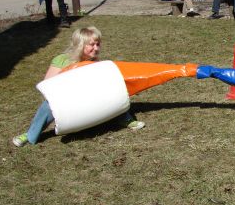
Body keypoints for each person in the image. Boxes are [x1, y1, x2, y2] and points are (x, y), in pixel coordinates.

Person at [12, 27, 145, 147]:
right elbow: (48, 85)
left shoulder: (94, 62)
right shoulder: (62, 60)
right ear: (80, 45)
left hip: (88, 97)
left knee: (114, 89)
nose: (96, 48)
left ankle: (125, 119)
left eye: (98, 44)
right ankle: (30, 135)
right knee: (47, 106)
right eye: (92, 44)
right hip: (67, 99)